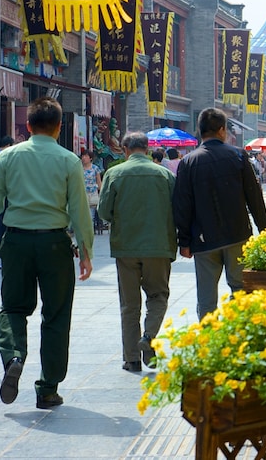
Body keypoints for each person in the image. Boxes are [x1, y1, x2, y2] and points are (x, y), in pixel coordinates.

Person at [0, 96, 94, 410]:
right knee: (55, 315)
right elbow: (80, 211)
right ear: (59, 128)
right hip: (55, 243)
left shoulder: (8, 157)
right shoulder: (69, 160)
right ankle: (47, 389)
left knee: (13, 308)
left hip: (15, 242)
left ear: (27, 126)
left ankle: (14, 355)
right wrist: (85, 250)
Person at [172, 108, 266, 319]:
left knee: (206, 298)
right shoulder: (238, 155)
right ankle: (240, 334)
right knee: (241, 289)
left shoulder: (188, 163)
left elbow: (182, 204)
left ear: (201, 131)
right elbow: (254, 197)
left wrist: (184, 241)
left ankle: (210, 343)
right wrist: (265, 231)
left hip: (204, 239)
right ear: (222, 130)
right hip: (237, 235)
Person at [98, 132, 176, 372]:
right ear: (148, 148)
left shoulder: (114, 174)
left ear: (125, 149)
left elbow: (103, 213)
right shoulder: (165, 175)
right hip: (159, 246)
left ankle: (131, 358)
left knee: (129, 304)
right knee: (158, 296)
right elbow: (179, 210)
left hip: (126, 247)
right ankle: (149, 336)